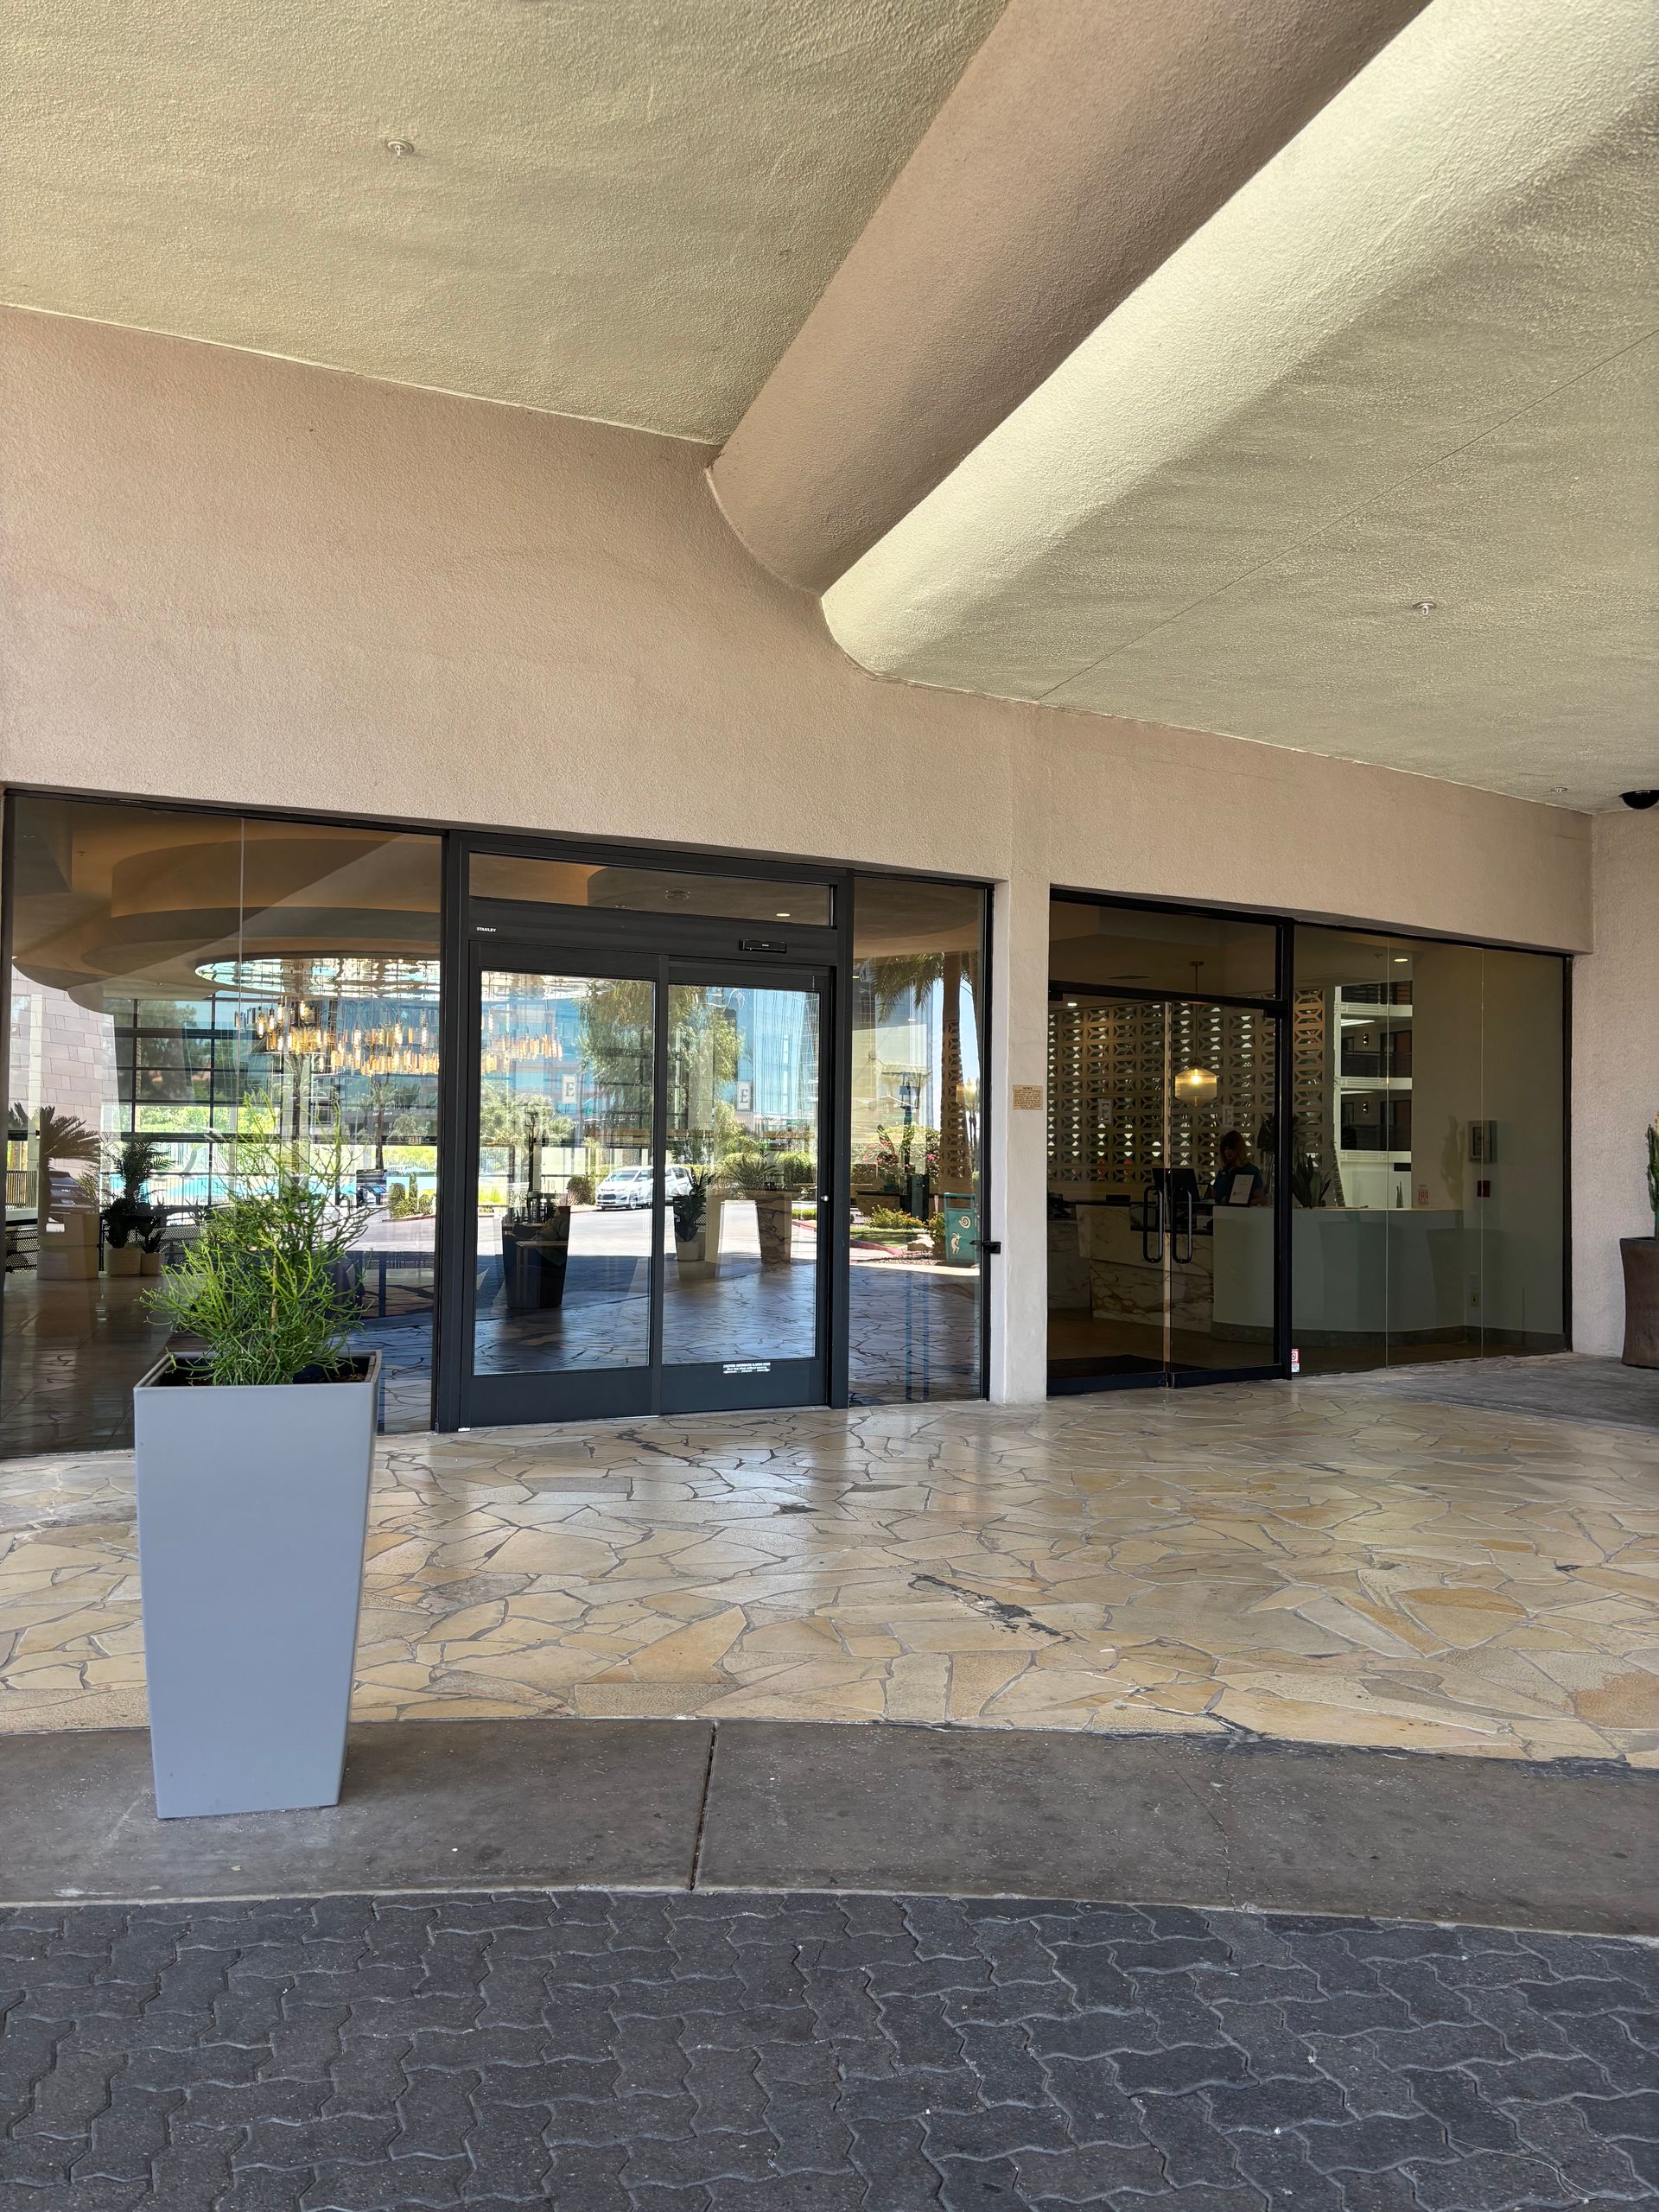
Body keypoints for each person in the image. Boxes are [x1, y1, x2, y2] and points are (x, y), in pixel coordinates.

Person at [1211, 1129, 1267, 1206]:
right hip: (1220, 1211)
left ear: (1239, 1149)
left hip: (1241, 1212)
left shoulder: (1251, 1170)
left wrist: (1235, 1202)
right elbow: (1214, 1194)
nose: (1227, 1151)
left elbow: (1260, 1200)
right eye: (1225, 1149)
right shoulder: (1223, 1170)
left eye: (1231, 1148)